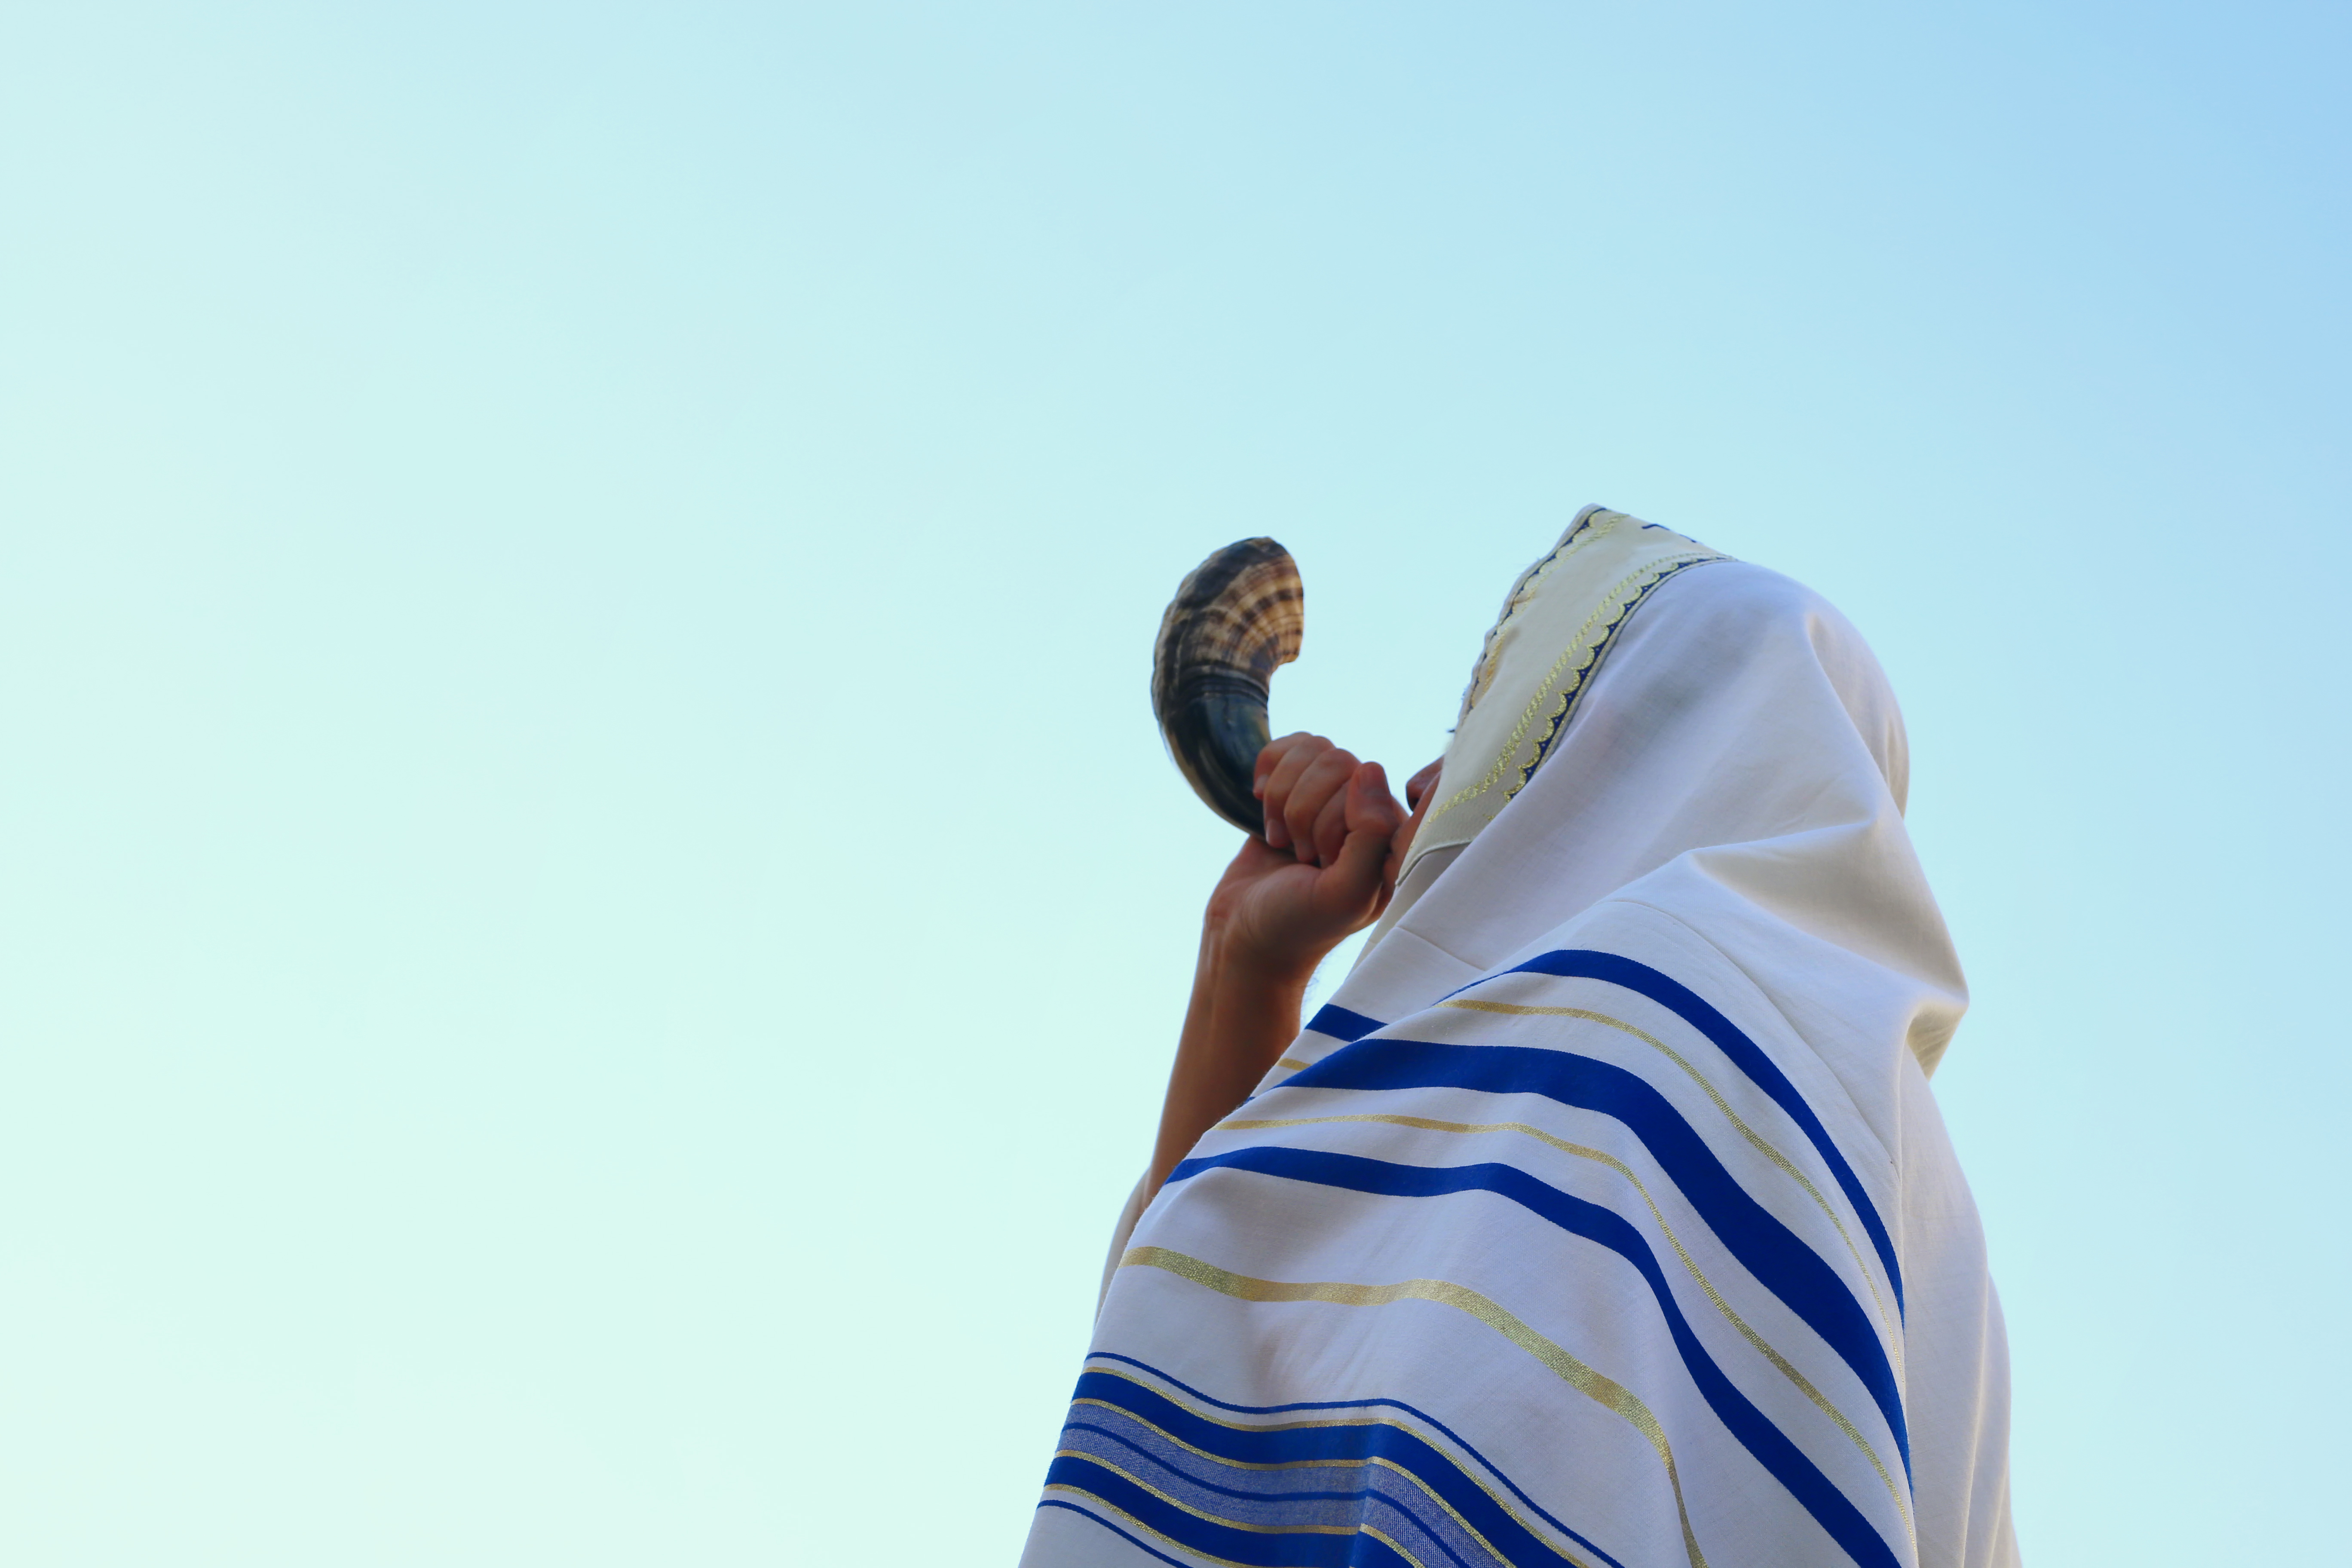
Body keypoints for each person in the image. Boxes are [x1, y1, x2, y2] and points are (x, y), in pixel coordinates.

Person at [1022, 509, 2018, 1568]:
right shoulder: (1906, 1196)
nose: (1415, 787)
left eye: (1488, 721)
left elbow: (1204, 1448)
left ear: (1604, 739)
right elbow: (1180, 1369)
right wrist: (1245, 963)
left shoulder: (1641, 1018)